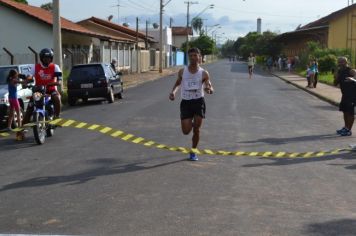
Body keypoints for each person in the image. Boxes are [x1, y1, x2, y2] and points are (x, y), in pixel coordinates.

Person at [169, 47, 214, 161]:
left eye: (195, 55)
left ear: (199, 57)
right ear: (188, 57)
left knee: (197, 129)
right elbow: (178, 83)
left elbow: (209, 85)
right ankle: (192, 123)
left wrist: (209, 89)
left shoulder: (204, 72)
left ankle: (193, 151)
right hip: (186, 102)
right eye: (191, 56)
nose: (193, 58)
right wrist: (173, 92)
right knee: (186, 131)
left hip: (199, 101)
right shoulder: (182, 71)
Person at [23, 48, 62, 125]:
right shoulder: (35, 67)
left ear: (51, 58)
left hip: (51, 90)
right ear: (41, 58)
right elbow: (30, 77)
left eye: (48, 58)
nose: (46, 60)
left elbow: (59, 80)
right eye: (45, 58)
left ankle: (57, 117)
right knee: (30, 108)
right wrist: (26, 81)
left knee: (56, 98)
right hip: (38, 91)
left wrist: (55, 83)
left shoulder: (55, 67)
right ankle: (21, 131)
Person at [334, 57, 356, 136]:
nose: (340, 64)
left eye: (342, 62)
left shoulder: (351, 70)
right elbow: (335, 83)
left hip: (352, 95)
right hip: (345, 95)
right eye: (339, 62)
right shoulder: (340, 71)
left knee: (350, 113)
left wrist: (353, 79)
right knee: (345, 111)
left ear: (346, 62)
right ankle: (346, 127)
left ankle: (349, 130)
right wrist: (336, 74)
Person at [4, 69, 26, 137]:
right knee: (19, 113)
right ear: (14, 75)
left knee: (11, 113)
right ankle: (20, 127)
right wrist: (27, 79)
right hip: (14, 99)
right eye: (16, 74)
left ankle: (9, 126)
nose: (17, 75)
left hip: (10, 98)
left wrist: (19, 76)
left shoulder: (10, 79)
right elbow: (23, 82)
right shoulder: (14, 80)